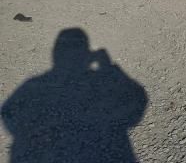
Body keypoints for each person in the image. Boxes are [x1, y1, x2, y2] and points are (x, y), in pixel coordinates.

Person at [1, 28, 148, 163]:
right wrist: (108, 67)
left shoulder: (34, 84)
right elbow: (138, 101)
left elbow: (8, 112)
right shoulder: (36, 84)